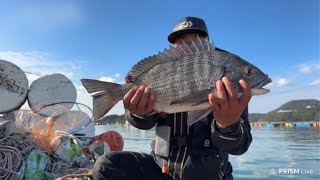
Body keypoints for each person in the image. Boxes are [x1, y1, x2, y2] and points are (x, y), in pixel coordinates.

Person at [92, 16, 252, 180]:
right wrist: (139, 113)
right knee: (106, 166)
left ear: (207, 41)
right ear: (173, 47)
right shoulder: (162, 69)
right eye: (181, 41)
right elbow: (143, 124)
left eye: (197, 39)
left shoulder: (231, 90)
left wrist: (228, 125)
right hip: (161, 170)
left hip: (209, 174)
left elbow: (240, 146)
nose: (189, 45)